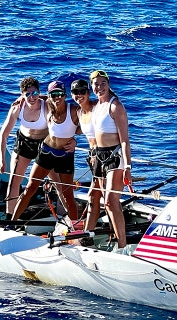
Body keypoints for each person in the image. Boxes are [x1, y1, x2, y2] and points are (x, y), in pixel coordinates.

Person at [12, 81, 80, 221]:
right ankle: (11, 223)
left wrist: (75, 141)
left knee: (68, 195)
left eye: (61, 94)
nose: (58, 98)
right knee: (30, 188)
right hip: (46, 152)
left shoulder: (73, 110)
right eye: (54, 94)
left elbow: (88, 125)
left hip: (65, 156)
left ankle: (76, 230)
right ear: (49, 96)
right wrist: (21, 98)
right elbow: (37, 97)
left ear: (65, 95)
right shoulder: (48, 105)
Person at [0, 76, 58, 219]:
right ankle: (10, 218)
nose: (32, 97)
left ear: (39, 92)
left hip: (43, 144)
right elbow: (3, 135)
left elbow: (56, 128)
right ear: (22, 95)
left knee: (57, 180)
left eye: (35, 93)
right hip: (24, 144)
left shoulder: (46, 106)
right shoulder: (17, 108)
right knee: (14, 181)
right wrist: (1, 160)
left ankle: (63, 215)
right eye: (28, 94)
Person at [89, 70, 132, 249]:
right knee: (104, 202)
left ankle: (123, 246)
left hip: (115, 157)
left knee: (110, 201)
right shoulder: (97, 106)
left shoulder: (115, 107)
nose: (99, 87)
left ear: (108, 84)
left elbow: (124, 140)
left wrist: (128, 166)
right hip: (99, 156)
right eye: (96, 84)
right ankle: (115, 237)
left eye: (102, 83)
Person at [70, 79, 102, 232]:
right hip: (93, 157)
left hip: (106, 156)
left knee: (97, 196)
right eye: (76, 92)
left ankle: (88, 233)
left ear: (89, 93)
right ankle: (88, 233)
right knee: (95, 196)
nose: (79, 95)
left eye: (83, 91)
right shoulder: (78, 112)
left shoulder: (98, 106)